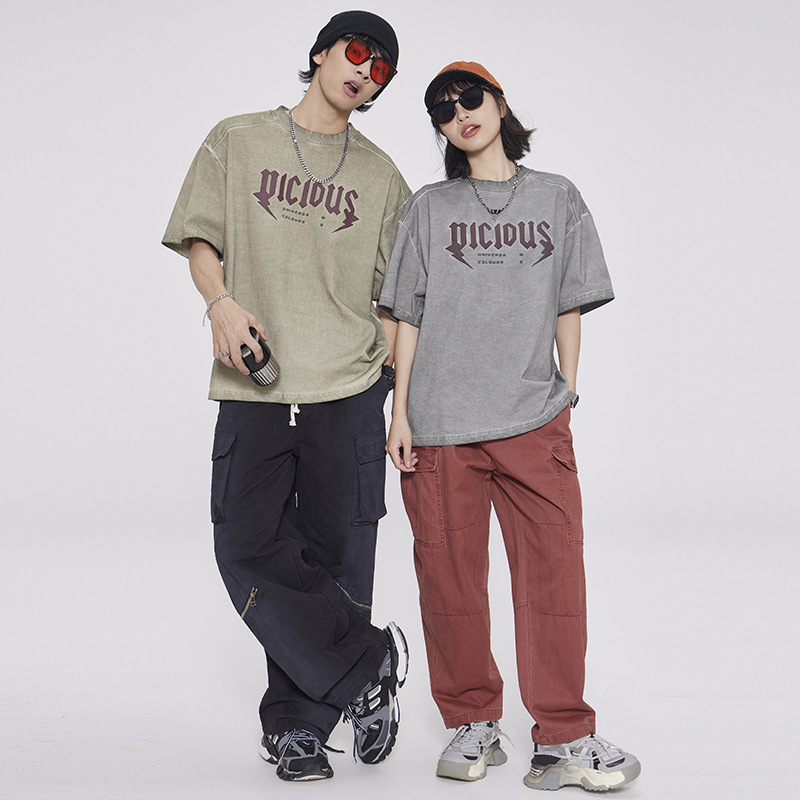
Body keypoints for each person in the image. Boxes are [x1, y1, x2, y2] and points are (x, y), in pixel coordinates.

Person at [162, 11, 410, 783]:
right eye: (357, 52)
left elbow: (401, 297)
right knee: (244, 543)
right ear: (322, 52)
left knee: (338, 559)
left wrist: (393, 393)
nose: (365, 71)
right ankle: (369, 668)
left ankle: (299, 730)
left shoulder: (382, 178)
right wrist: (220, 304)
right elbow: (201, 239)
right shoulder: (238, 140)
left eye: (381, 69)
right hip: (257, 383)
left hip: (349, 387)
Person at [379, 62, 641, 791]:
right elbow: (407, 315)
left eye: (471, 97)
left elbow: (568, 302)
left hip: (533, 419)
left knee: (555, 575)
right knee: (448, 579)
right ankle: (473, 721)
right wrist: (401, 412)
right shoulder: (429, 207)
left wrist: (566, 392)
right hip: (440, 424)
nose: (459, 113)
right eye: (443, 109)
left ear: (499, 104)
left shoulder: (557, 197)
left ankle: (564, 736)